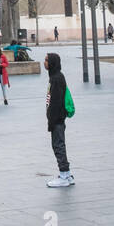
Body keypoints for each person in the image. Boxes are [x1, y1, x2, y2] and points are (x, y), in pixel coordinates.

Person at [45, 52, 73, 187]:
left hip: (57, 119)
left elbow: (56, 102)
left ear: (52, 63)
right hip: (57, 119)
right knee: (59, 145)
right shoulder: (56, 77)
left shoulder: (56, 78)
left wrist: (52, 120)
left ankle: (64, 175)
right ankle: (66, 174)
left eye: (46, 60)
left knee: (58, 146)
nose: (44, 62)